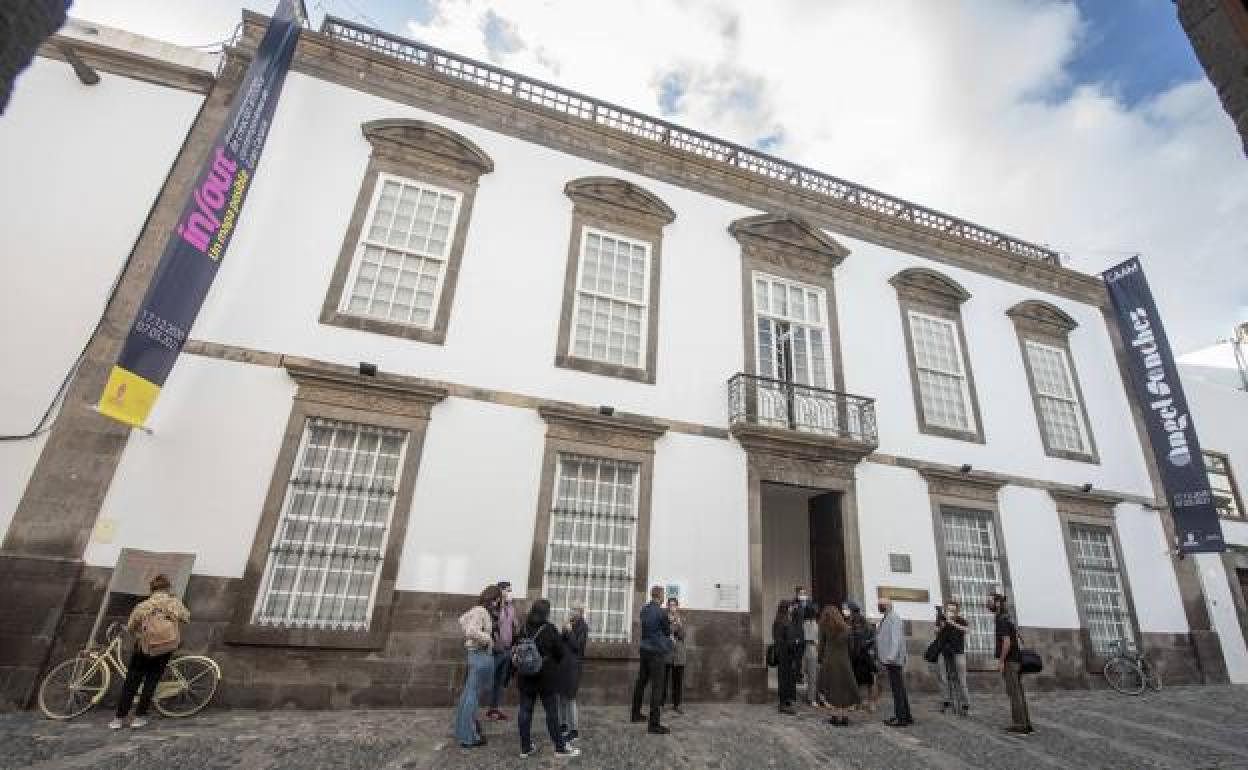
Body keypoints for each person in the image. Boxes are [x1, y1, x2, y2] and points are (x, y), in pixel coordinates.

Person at [109, 574, 190, 729]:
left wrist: (139, 633)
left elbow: (132, 626)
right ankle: (139, 717)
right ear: (168, 588)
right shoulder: (174, 603)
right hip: (165, 648)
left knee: (132, 681)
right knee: (151, 681)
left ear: (152, 589)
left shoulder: (143, 605)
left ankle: (118, 719)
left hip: (144, 647)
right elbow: (186, 618)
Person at [516, 598, 581, 758]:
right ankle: (560, 747)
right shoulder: (549, 629)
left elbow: (515, 647)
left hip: (524, 675)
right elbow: (561, 652)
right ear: (547, 613)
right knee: (551, 712)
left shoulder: (523, 627)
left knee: (525, 710)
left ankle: (525, 748)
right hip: (545, 677)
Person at [453, 584, 500, 748]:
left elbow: (463, 621)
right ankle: (468, 736)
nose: (497, 603)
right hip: (480, 655)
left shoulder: (476, 610)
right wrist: (488, 639)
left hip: (475, 655)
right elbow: (471, 631)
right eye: (497, 600)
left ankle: (461, 732)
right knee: (472, 697)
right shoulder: (481, 611)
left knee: (468, 695)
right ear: (493, 599)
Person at [630, 585, 672, 734]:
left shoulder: (644, 609)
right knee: (657, 687)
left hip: (644, 649)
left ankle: (635, 714)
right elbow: (667, 632)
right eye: (663, 595)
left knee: (641, 682)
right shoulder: (661, 613)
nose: (664, 598)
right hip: (657, 652)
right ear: (660, 596)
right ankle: (654, 725)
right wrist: (670, 622)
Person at [990, 591, 1033, 735]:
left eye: (989, 600)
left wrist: (1001, 661)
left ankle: (1020, 726)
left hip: (1010, 661)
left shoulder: (1001, 620)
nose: (986, 603)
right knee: (1018, 693)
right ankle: (1026, 724)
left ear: (997, 603)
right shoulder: (1008, 618)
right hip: (1016, 659)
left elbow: (1007, 642)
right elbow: (1020, 639)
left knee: (1014, 693)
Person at [817, 605, 861, 726]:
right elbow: (851, 648)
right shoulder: (847, 629)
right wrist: (849, 658)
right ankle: (845, 716)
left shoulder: (824, 627)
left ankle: (836, 716)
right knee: (845, 687)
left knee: (832, 688)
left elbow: (821, 645)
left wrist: (820, 658)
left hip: (829, 660)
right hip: (844, 661)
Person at [486, 580, 520, 722]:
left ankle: (495, 709)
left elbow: (514, 625)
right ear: (500, 591)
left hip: (507, 649)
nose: (509, 593)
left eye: (510, 590)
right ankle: (473, 711)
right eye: (507, 590)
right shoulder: (493, 607)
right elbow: (490, 627)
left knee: (500, 682)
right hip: (495, 650)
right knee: (487, 680)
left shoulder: (511, 607)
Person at [876, 597, 913, 727]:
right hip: (889, 659)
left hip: (893, 659)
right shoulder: (887, 617)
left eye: (881, 604)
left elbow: (896, 639)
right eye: (879, 604)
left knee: (897, 690)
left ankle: (901, 718)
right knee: (899, 689)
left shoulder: (893, 617)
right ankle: (906, 716)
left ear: (888, 605)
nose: (879, 606)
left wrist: (891, 656)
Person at [557, 605, 588, 744]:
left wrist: (569, 632)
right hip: (563, 666)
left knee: (570, 699)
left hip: (573, 667)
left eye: (574, 610)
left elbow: (577, 647)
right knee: (561, 697)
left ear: (580, 612)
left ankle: (574, 731)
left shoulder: (583, 627)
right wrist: (562, 630)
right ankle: (563, 725)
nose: (571, 612)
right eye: (571, 609)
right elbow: (560, 643)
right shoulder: (569, 624)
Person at [936, 600, 970, 716]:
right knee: (943, 678)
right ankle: (946, 701)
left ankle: (965, 703)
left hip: (958, 652)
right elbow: (936, 632)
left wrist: (952, 623)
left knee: (961, 679)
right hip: (944, 652)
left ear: (957, 611)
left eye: (953, 610)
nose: (950, 612)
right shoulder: (942, 620)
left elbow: (967, 630)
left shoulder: (961, 620)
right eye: (948, 609)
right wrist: (942, 626)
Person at [846, 601, 879, 713]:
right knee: (860, 681)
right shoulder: (850, 623)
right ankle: (864, 703)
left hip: (863, 656)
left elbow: (873, 640)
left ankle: (867, 703)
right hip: (857, 656)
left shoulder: (862, 624)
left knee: (868, 682)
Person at [772, 600, 800, 715]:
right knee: (786, 679)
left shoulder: (778, 621)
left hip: (782, 653)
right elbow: (789, 639)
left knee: (784, 678)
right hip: (787, 654)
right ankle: (784, 704)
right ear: (786, 608)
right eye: (790, 607)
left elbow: (776, 637)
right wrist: (795, 643)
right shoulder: (785, 621)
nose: (792, 609)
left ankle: (786, 701)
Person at [663, 597, 687, 714]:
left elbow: (683, 635)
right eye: (670, 605)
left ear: (677, 606)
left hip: (679, 655)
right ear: (667, 606)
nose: (672, 607)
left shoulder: (681, 619)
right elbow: (663, 633)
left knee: (677, 681)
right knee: (663, 680)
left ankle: (677, 704)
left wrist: (679, 624)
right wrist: (669, 625)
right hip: (667, 653)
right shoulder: (663, 618)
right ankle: (660, 704)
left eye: (674, 605)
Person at [801, 604, 822, 707]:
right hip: (811, 649)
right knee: (812, 676)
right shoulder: (808, 623)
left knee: (816, 675)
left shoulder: (813, 622)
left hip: (814, 649)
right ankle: (811, 698)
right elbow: (808, 638)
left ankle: (816, 696)